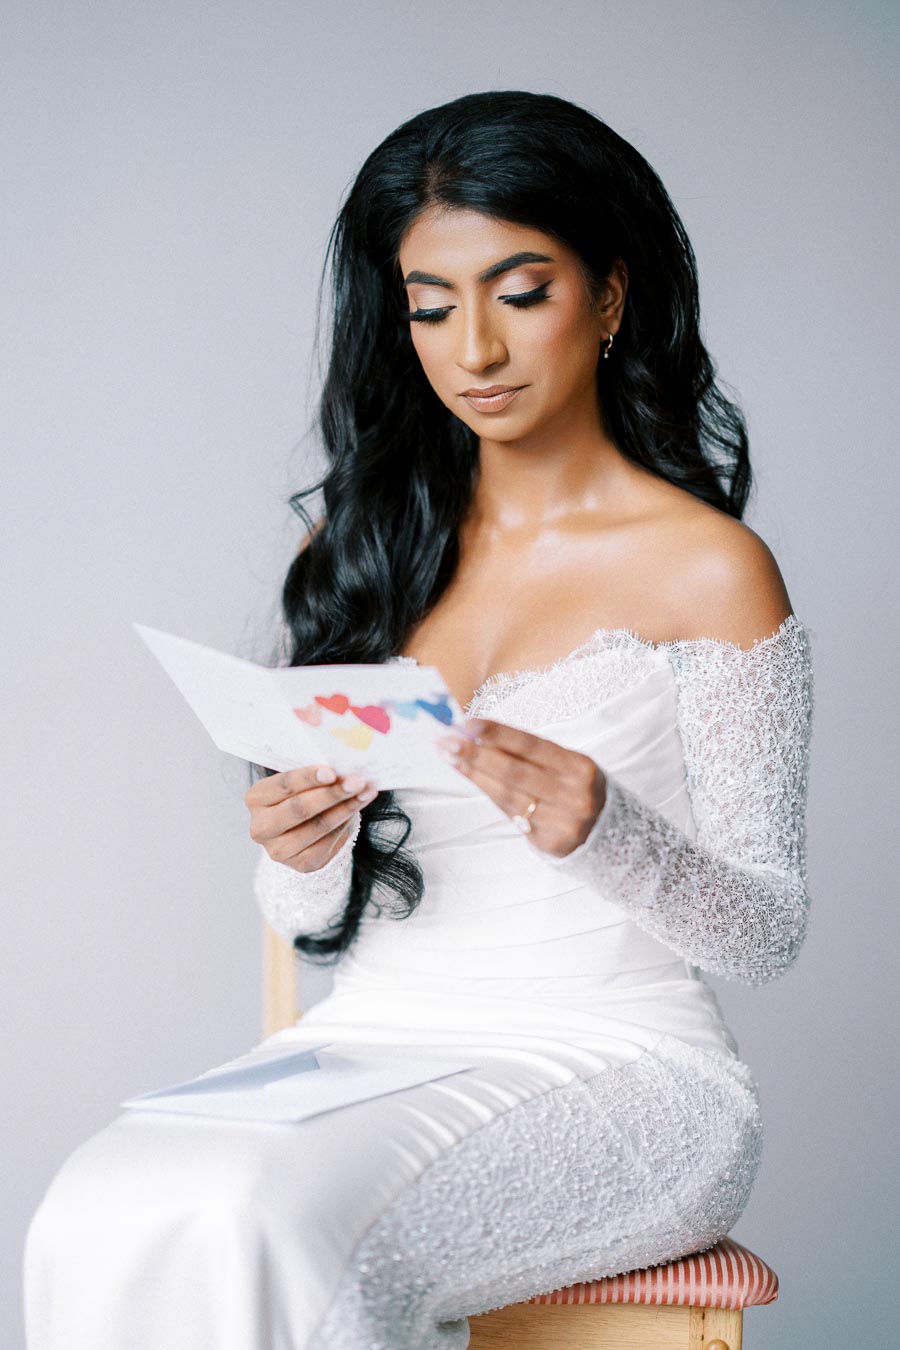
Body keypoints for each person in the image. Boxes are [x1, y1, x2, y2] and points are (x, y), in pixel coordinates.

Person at [24, 90, 814, 1350]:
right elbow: (311, 925)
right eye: (432, 307)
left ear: (610, 297)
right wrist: (303, 851)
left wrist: (606, 830)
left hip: (630, 1071)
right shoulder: (366, 548)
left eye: (521, 291)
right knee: (100, 1202)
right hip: (376, 1038)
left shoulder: (710, 569)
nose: (476, 353)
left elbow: (768, 930)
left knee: (255, 1215)